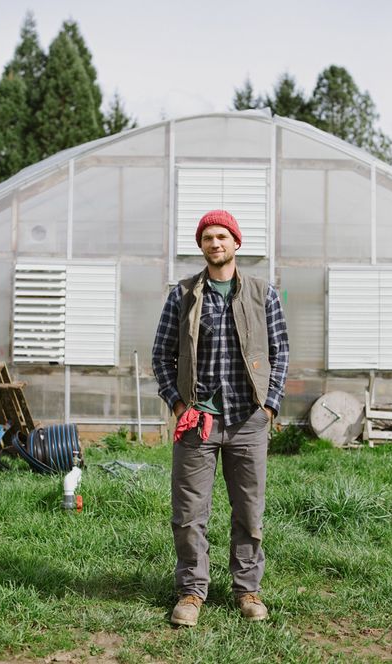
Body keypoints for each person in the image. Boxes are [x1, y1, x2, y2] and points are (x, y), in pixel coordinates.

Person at [152, 209, 289, 626]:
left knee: (249, 510)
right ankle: (192, 592)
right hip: (198, 422)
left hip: (249, 420)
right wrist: (179, 404)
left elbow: (280, 352)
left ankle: (248, 590)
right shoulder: (184, 295)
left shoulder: (263, 293)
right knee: (189, 512)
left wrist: (269, 406)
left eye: (222, 236)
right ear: (201, 246)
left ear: (236, 243)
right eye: (208, 237)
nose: (215, 243)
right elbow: (162, 355)